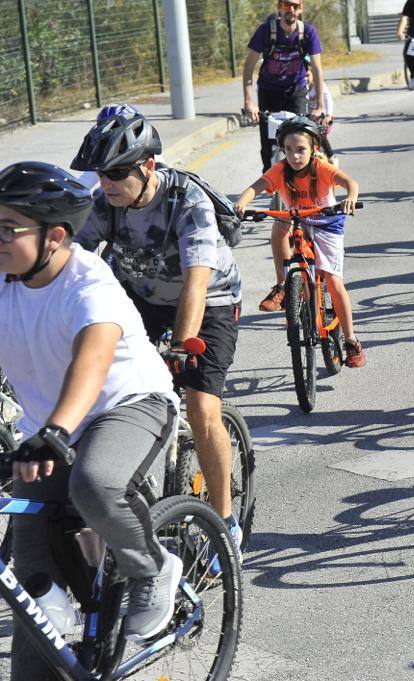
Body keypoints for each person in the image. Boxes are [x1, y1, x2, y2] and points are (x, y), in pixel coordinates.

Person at [0, 162, 183, 678]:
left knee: (96, 484)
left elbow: (93, 360)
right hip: (51, 428)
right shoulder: (7, 280)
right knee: (34, 605)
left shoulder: (88, 285)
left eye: (7, 228)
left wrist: (55, 431)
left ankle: (153, 566)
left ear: (55, 236)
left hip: (127, 407)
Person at [69, 112, 245, 555]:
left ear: (147, 166)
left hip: (208, 301)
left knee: (201, 406)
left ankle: (225, 525)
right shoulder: (103, 202)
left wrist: (184, 347)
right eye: (100, 174)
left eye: (115, 173)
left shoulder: (187, 202)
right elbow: (69, 261)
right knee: (105, 389)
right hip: (141, 296)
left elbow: (197, 284)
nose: (105, 183)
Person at [234, 116, 366, 367]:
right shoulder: (280, 170)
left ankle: (351, 340)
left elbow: (350, 183)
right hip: (299, 220)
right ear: (282, 151)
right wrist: (242, 203)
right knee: (278, 226)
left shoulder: (321, 167)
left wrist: (350, 196)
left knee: (333, 280)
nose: (295, 156)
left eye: (301, 149)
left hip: (327, 223)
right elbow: (255, 187)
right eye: (289, 150)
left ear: (314, 148)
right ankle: (283, 285)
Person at [241, 0, 325, 172]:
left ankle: (302, 181)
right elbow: (248, 66)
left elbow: (317, 69)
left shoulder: (307, 32)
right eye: (286, 5)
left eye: (295, 6)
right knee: (268, 142)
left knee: (301, 138)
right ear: (279, 8)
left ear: (300, 9)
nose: (291, 10)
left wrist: (320, 106)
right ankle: (270, 176)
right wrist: (249, 102)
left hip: (296, 91)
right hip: (269, 91)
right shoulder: (266, 31)